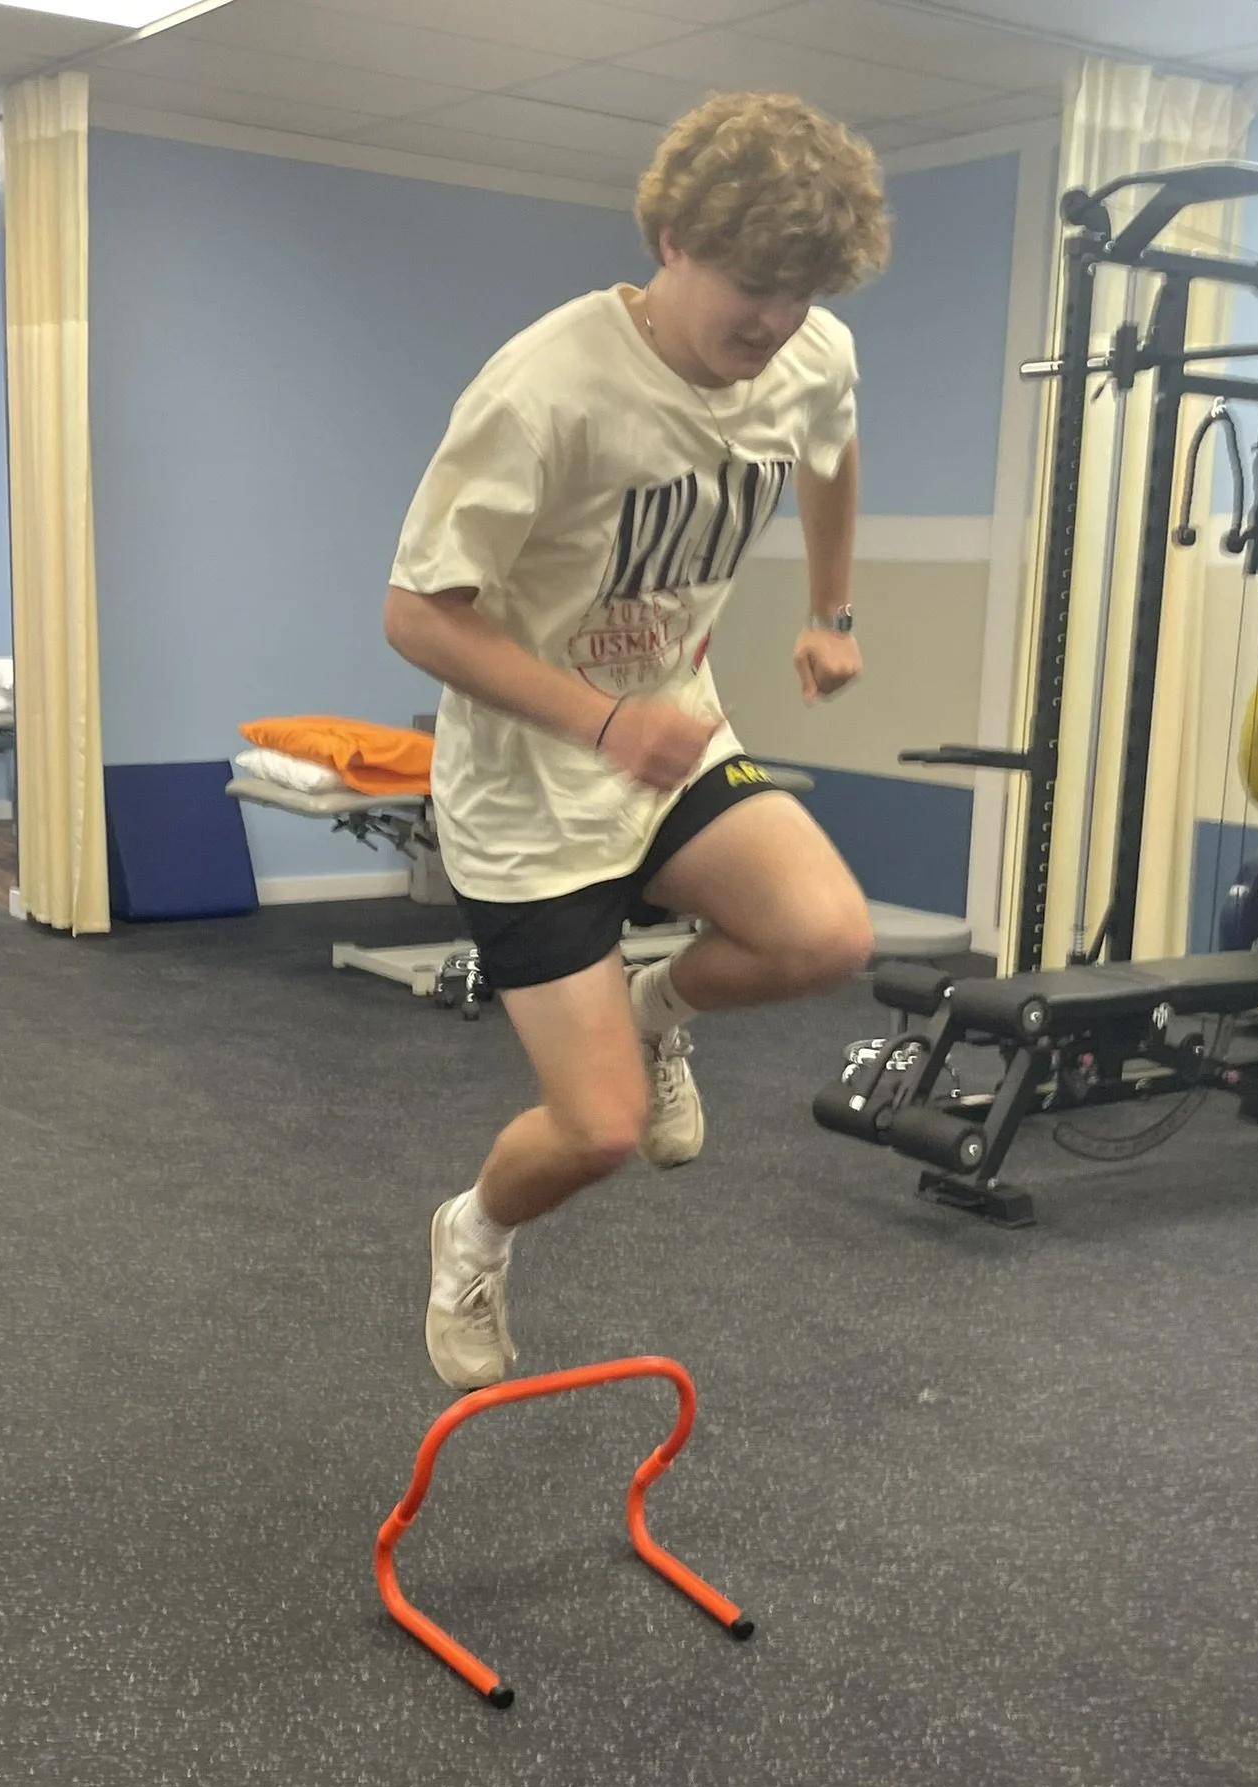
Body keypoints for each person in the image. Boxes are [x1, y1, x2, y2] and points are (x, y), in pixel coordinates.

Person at [384, 89, 891, 1392]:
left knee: (825, 936)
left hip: (672, 736)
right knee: (597, 1133)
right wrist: (606, 720)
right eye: (753, 283)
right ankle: (473, 1234)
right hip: (529, 793)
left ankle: (660, 1013)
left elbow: (829, 453)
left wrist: (830, 611)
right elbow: (417, 620)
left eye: (803, 290)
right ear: (669, 235)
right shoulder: (546, 390)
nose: (772, 322)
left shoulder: (809, 354)